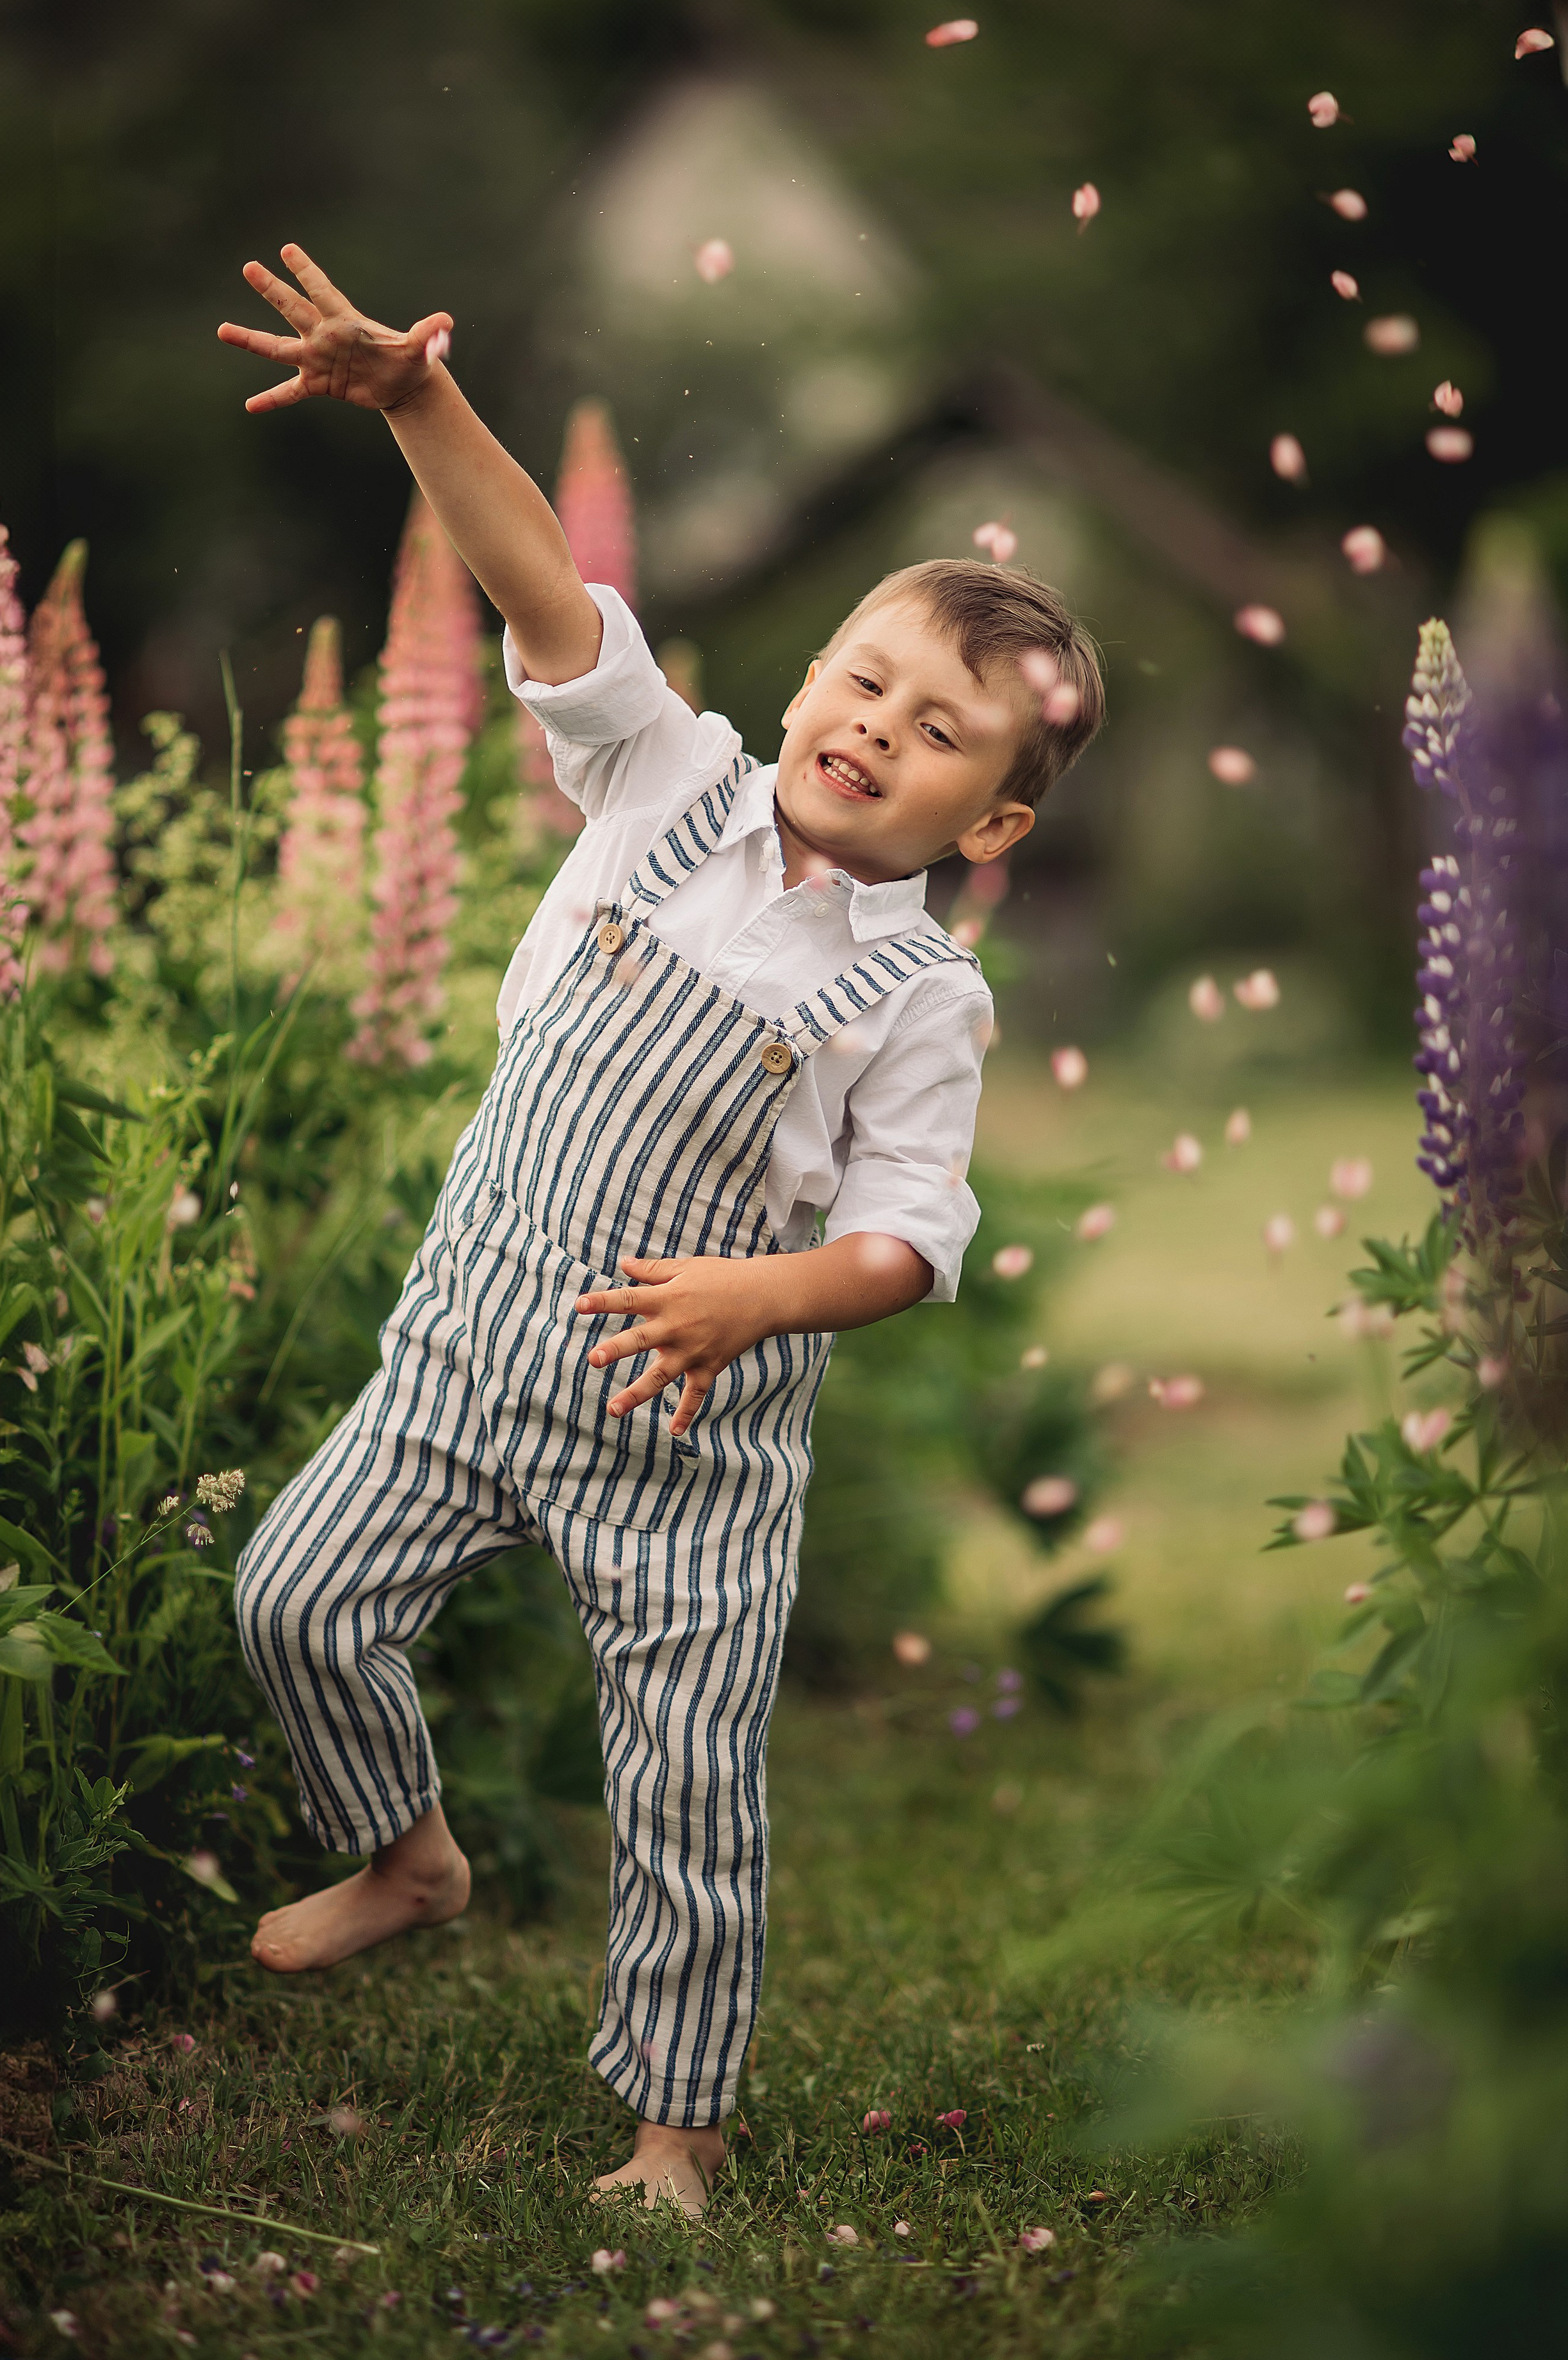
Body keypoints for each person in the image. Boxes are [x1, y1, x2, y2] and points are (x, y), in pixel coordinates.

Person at [220, 247, 1104, 2216]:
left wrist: (763, 1296)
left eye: (944, 728)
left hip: (693, 1458)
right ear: (801, 686)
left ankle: (674, 2131)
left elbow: (906, 1241)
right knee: (291, 1596)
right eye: (866, 678)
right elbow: (545, 588)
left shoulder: (918, 997)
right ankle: (409, 1853)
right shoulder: (660, 776)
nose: (881, 723)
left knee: (689, 1794)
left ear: (990, 826)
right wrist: (414, 399)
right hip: (468, 1357)